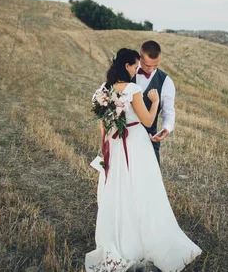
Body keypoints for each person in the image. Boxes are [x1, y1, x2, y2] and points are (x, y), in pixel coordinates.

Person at [85, 48, 201, 272]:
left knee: (119, 188)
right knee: (143, 187)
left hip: (115, 145)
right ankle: (144, 236)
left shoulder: (104, 90)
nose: (138, 70)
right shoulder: (132, 88)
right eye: (136, 66)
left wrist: (106, 147)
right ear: (127, 66)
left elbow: (102, 125)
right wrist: (155, 102)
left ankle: (119, 236)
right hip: (136, 143)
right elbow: (148, 120)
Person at [133, 41, 175, 165]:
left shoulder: (166, 82)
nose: (151, 70)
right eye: (147, 65)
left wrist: (166, 129)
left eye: (155, 66)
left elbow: (169, 112)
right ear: (140, 58)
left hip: (148, 139)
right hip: (123, 138)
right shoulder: (127, 73)